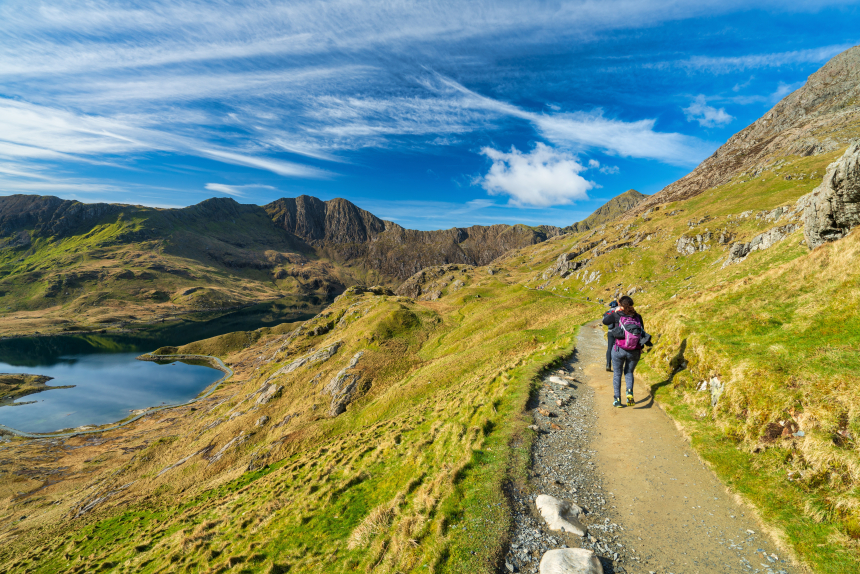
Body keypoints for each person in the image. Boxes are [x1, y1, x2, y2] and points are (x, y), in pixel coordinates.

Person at [602, 295, 651, 408]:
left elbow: (605, 321)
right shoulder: (638, 316)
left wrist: (615, 311)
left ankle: (617, 400)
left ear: (620, 304)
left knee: (617, 374)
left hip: (619, 348)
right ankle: (629, 392)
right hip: (634, 350)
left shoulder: (617, 314)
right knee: (629, 372)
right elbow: (641, 330)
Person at [602, 300, 619, 371]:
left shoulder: (607, 312)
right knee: (618, 347)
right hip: (618, 332)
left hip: (610, 331)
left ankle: (608, 364)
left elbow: (604, 321)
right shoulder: (619, 311)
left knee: (609, 348)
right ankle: (617, 366)